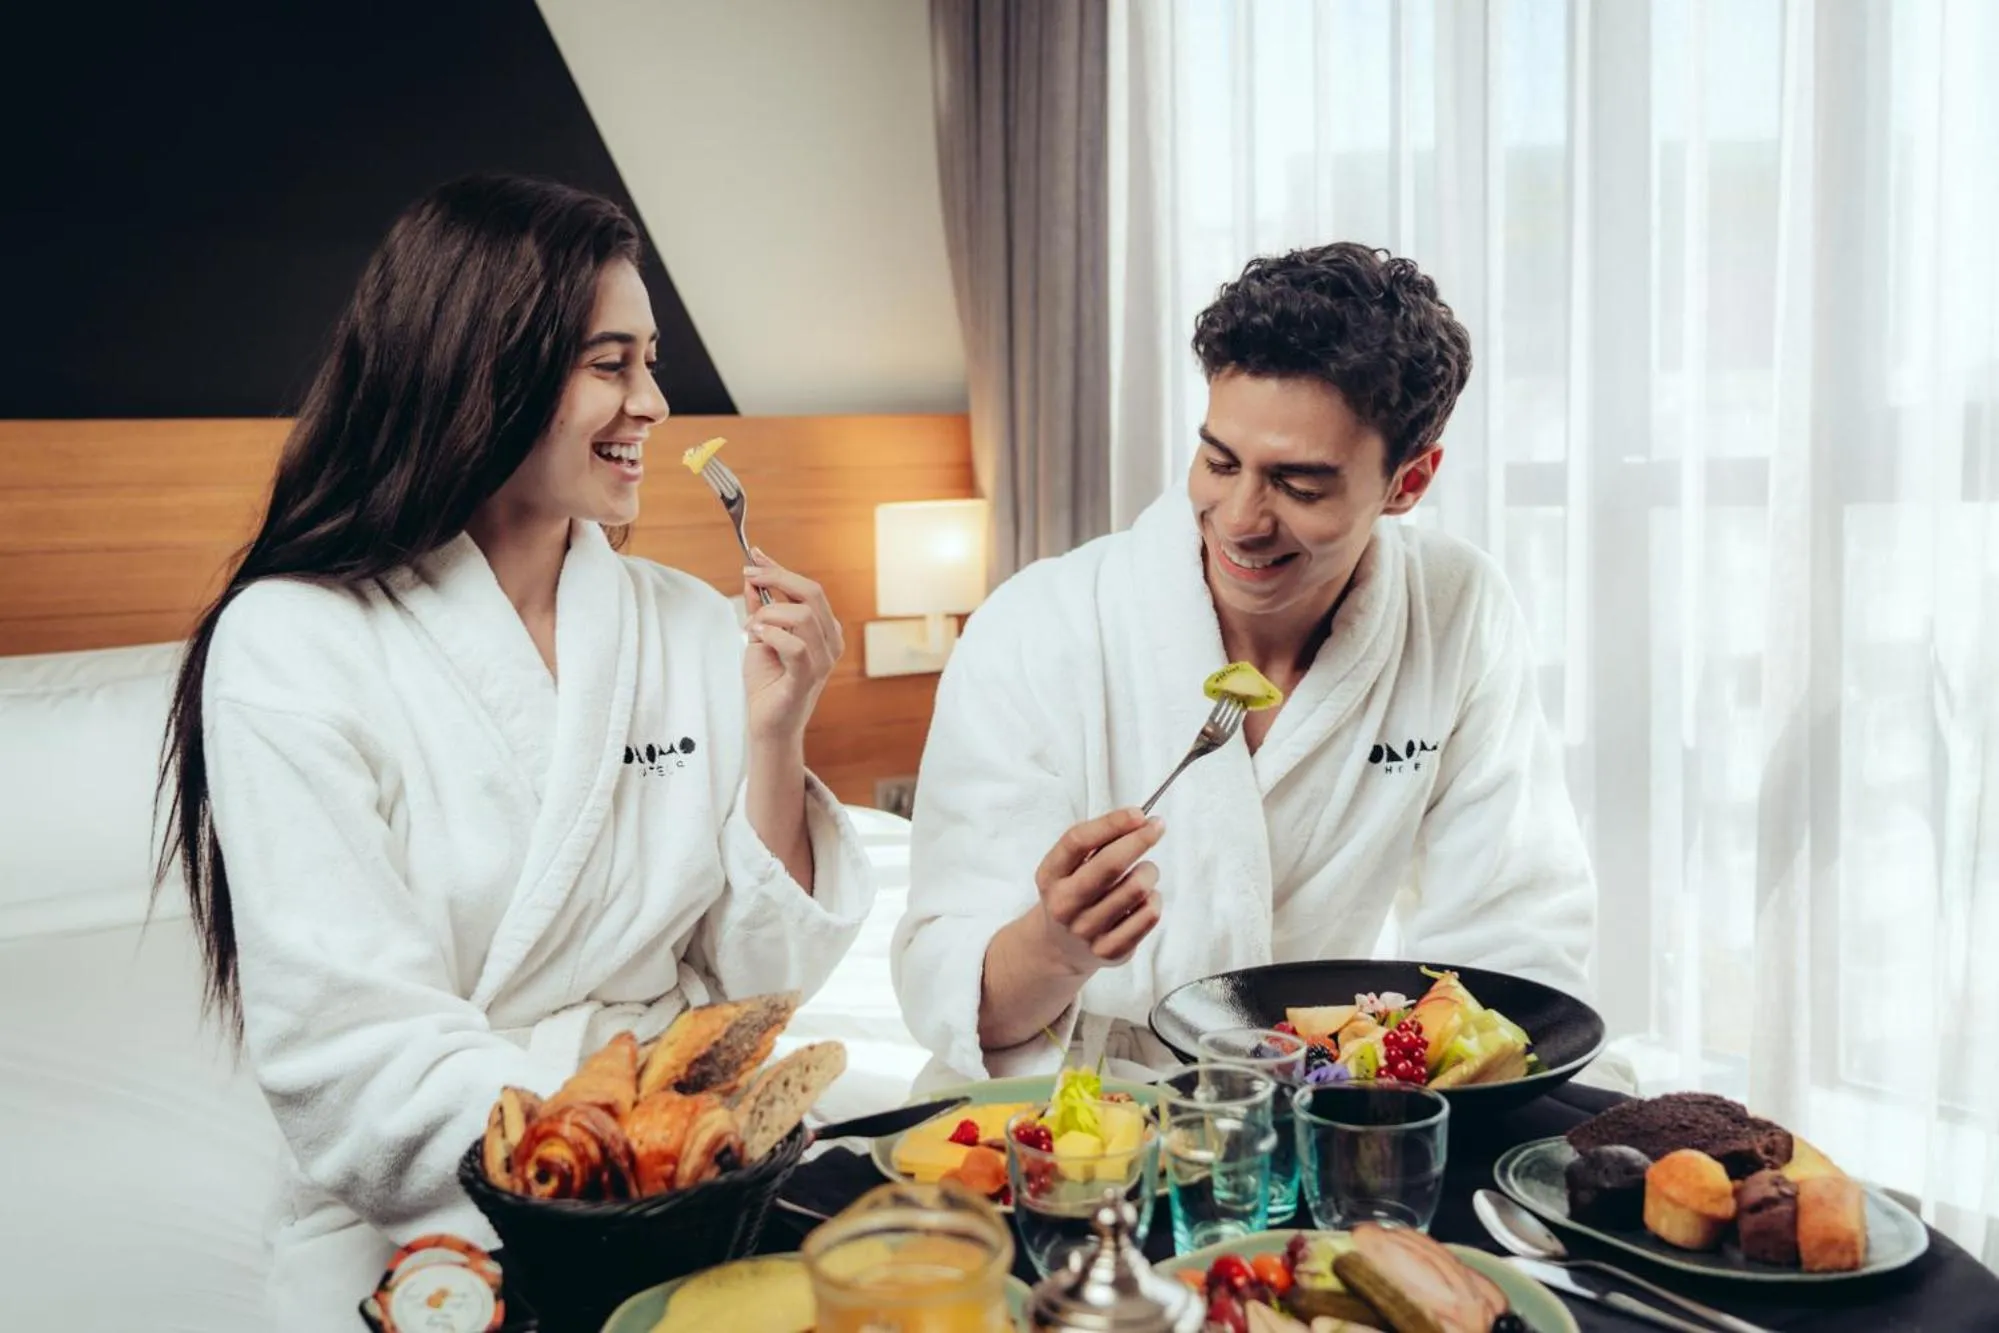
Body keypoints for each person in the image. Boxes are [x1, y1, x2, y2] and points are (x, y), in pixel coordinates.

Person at [156, 175, 874, 1320]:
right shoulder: (293, 644)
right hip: (447, 1210)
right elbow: (353, 1051)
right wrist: (621, 1144)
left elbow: (754, 989)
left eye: (651, 360)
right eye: (610, 363)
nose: (652, 402)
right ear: (483, 365)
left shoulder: (687, 624)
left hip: (696, 1179)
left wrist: (776, 733)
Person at [893, 242, 1594, 1083]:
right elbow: (954, 996)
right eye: (1219, 462)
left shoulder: (1453, 608)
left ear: (1408, 480)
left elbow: (1510, 932)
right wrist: (1055, 944)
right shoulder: (1039, 626)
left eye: (1298, 486)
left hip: (1333, 1100)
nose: (1237, 519)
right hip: (1072, 1112)